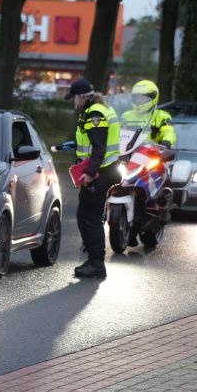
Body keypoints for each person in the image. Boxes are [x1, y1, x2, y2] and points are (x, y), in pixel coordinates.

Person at [65, 77, 121, 279]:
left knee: (91, 218)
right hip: (102, 171)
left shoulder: (95, 114)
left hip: (100, 174)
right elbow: (90, 143)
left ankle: (97, 263)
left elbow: (99, 148)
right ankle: (92, 257)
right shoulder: (96, 110)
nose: (73, 102)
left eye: (74, 98)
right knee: (84, 216)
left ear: (81, 96)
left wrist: (89, 174)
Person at [120, 79, 176, 148]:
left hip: (152, 153)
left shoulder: (162, 116)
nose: (139, 100)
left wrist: (167, 141)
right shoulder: (126, 115)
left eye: (143, 98)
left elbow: (169, 132)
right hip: (128, 151)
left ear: (153, 97)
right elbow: (119, 133)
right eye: (137, 98)